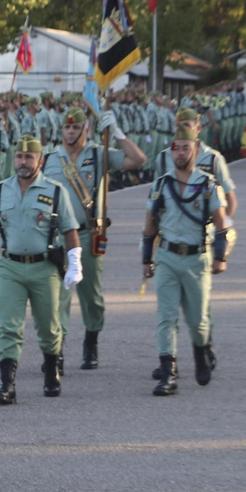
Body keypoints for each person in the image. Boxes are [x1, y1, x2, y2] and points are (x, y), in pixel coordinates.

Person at [0, 134, 83, 404]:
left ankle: (51, 372)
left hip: (44, 268)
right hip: (11, 267)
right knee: (9, 326)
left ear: (40, 160)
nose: (23, 162)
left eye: (29, 157)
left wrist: (75, 263)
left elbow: (69, 230)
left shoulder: (55, 191)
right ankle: (7, 384)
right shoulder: (1, 190)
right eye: (19, 157)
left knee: (49, 328)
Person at [42, 105, 146, 371]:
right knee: (58, 297)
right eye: (67, 127)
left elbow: (137, 160)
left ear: (86, 131)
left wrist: (118, 133)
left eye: (76, 127)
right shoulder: (49, 158)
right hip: (58, 238)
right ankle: (58, 351)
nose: (70, 131)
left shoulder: (99, 154)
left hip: (88, 236)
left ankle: (91, 341)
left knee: (91, 296)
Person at [142, 128, 231, 395]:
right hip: (168, 257)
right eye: (176, 148)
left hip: (196, 259)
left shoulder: (207, 184)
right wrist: (146, 259)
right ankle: (168, 374)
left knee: (198, 320)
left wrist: (220, 257)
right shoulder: (161, 184)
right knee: (166, 317)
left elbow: (221, 224)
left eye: (186, 148)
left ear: (195, 150)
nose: (180, 153)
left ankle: (202, 351)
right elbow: (149, 225)